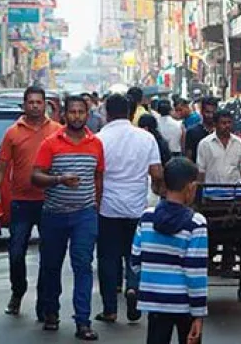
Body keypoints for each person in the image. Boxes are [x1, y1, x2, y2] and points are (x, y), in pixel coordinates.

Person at [32, 95, 105, 340]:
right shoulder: (50, 143)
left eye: (80, 112)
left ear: (87, 114)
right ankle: (51, 312)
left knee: (83, 266)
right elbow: (35, 176)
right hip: (54, 215)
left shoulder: (96, 143)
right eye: (72, 112)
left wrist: (95, 205)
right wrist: (59, 179)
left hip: (84, 215)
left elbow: (98, 177)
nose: (76, 116)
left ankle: (83, 321)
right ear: (64, 115)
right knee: (51, 266)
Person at [0, 86, 62, 317]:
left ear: (45, 105)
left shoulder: (57, 131)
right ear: (24, 105)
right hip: (21, 202)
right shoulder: (13, 133)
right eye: (31, 102)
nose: (35, 106)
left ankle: (45, 303)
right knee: (16, 252)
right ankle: (17, 291)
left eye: (39, 102)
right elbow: (0, 168)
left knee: (49, 255)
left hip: (49, 202)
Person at [95, 94, 163, 324]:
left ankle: (110, 309)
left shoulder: (99, 140)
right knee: (134, 255)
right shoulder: (146, 138)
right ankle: (133, 289)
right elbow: (156, 174)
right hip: (137, 207)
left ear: (106, 112)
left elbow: (97, 177)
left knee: (107, 258)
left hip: (108, 208)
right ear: (130, 112)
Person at [131, 157, 207, 344]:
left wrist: (154, 280)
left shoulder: (146, 217)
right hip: (185, 304)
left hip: (154, 302)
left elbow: (135, 260)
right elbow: (195, 273)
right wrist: (198, 314)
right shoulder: (196, 223)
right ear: (191, 187)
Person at [196, 110, 241, 185]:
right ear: (215, 124)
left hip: (235, 192)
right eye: (223, 123)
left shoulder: (239, 143)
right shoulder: (205, 144)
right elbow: (201, 171)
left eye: (229, 122)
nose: (227, 126)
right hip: (212, 192)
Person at [184, 97, 217, 161]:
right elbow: (189, 159)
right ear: (202, 111)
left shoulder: (221, 132)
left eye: (213, 112)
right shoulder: (192, 132)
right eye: (207, 112)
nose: (211, 115)